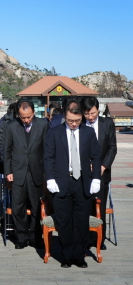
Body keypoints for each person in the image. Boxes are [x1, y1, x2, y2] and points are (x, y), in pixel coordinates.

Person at [44, 98, 101, 268]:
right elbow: (48, 157)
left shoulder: (88, 133)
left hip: (82, 181)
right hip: (62, 181)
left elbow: (96, 156)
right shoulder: (54, 132)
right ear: (64, 116)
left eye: (77, 120)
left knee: (81, 221)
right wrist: (50, 179)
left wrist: (96, 178)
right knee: (64, 221)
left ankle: (79, 256)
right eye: (70, 121)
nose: (74, 124)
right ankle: (66, 256)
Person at [3, 99, 48, 249]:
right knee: (18, 206)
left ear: (34, 113)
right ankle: (21, 237)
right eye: (23, 117)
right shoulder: (11, 126)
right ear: (18, 114)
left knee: (37, 206)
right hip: (17, 172)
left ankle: (36, 237)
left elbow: (48, 149)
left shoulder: (43, 124)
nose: (26, 120)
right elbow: (6, 151)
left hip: (37, 171)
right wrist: (8, 171)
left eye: (29, 117)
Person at [81, 96, 117, 250]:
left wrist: (103, 166)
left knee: (99, 207)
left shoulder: (107, 123)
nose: (90, 117)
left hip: (102, 173)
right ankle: (86, 238)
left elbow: (112, 147)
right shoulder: (79, 124)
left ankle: (99, 239)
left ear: (98, 110)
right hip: (83, 173)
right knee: (85, 206)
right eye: (87, 114)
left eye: (93, 113)